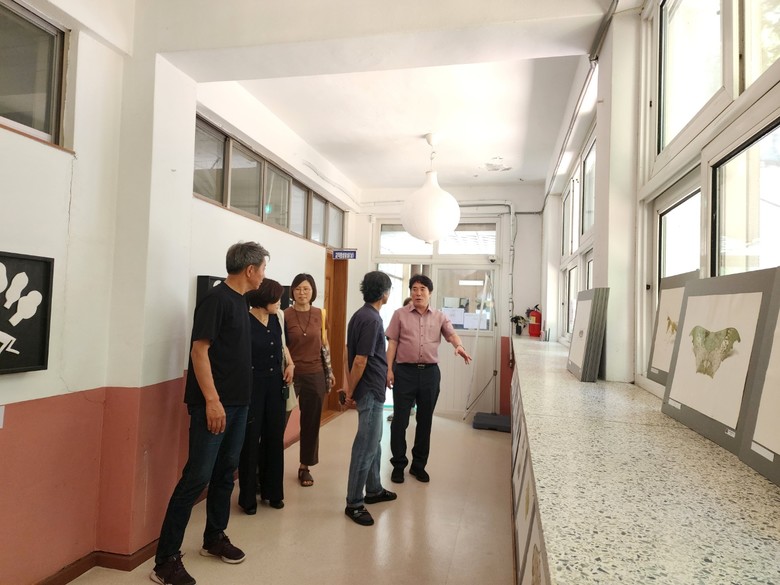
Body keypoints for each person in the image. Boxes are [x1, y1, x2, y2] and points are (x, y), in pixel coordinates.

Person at [151, 241, 269, 585]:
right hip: (215, 405)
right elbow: (199, 352)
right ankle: (165, 561)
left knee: (225, 473)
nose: (264, 275)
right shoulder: (216, 300)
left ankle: (214, 537)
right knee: (196, 478)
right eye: (263, 268)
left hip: (238, 404)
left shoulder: (241, 302)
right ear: (250, 269)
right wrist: (213, 401)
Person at [385, 274, 472, 484]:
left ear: (430, 293)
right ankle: (398, 465)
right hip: (404, 372)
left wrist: (459, 346)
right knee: (400, 421)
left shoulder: (440, 316)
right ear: (410, 292)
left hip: (430, 374)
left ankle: (418, 466)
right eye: (414, 289)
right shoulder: (399, 315)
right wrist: (388, 370)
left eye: (422, 289)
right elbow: (393, 343)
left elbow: (451, 335)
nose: (418, 293)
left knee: (425, 422)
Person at [344, 271, 397, 526]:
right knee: (365, 447)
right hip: (369, 390)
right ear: (384, 294)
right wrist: (350, 391)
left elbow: (350, 352)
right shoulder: (371, 319)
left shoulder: (360, 315)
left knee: (374, 442)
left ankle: (374, 489)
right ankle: (354, 503)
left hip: (371, 388)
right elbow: (359, 360)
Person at [237, 279, 293, 514]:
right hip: (252, 386)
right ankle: (248, 498)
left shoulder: (276, 318)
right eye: (276, 298)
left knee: (274, 438)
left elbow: (283, 346)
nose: (279, 301)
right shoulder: (245, 320)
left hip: (275, 385)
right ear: (263, 299)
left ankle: (273, 492)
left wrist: (290, 364)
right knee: (250, 441)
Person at [284, 273, 335, 487]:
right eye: (297, 289)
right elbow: (282, 345)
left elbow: (324, 344)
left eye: (306, 288)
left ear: (312, 291)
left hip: (315, 374)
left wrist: (329, 372)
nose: (302, 293)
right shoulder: (284, 314)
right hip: (289, 376)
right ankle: (265, 466)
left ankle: (305, 466)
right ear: (292, 291)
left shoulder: (320, 314)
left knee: (311, 423)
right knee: (278, 420)